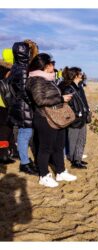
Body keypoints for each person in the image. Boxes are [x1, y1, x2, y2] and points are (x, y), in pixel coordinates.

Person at [26, 53, 77, 187]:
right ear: (45, 66)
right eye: (51, 63)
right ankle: (43, 176)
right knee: (45, 148)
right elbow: (40, 100)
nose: (54, 66)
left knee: (59, 146)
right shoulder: (36, 80)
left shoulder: (48, 79)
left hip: (57, 116)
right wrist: (61, 99)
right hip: (44, 118)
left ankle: (60, 172)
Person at [7, 42, 38, 175]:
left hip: (18, 105)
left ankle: (25, 160)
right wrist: (34, 102)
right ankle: (24, 163)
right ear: (26, 53)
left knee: (23, 133)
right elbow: (25, 91)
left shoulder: (15, 67)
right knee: (25, 134)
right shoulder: (24, 69)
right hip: (24, 107)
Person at [60, 67, 90, 169]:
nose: (81, 74)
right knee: (73, 140)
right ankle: (74, 161)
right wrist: (75, 114)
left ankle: (78, 158)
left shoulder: (79, 86)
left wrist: (87, 111)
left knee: (82, 139)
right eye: (80, 73)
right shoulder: (68, 88)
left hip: (83, 117)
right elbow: (65, 105)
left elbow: (83, 101)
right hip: (75, 119)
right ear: (75, 75)